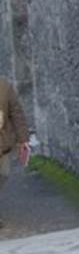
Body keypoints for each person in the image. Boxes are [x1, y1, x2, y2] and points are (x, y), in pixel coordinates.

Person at [0, 77, 30, 226]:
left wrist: (23, 138)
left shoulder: (4, 86)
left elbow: (16, 112)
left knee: (3, 173)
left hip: (2, 143)